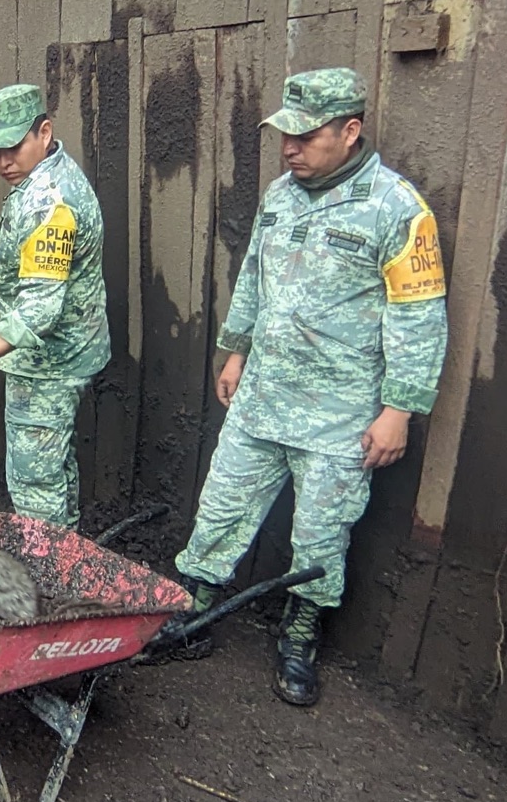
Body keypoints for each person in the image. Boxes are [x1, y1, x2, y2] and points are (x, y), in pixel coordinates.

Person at [174, 67, 447, 706]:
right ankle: (193, 609)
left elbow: (419, 315)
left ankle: (299, 636)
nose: (289, 148)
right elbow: (254, 277)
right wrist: (236, 350)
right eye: (284, 135)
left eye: (305, 135)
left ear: (350, 131)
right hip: (263, 397)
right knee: (221, 506)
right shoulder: (280, 195)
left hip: (339, 416)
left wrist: (400, 409)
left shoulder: (398, 208)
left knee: (322, 533)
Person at [0, 82, 109, 530]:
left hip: (49, 365)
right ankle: (68, 551)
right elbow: (43, 267)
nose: (3, 162)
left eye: (13, 147)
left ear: (44, 132)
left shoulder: (50, 203)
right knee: (56, 468)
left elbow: (37, 314)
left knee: (35, 487)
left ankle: (44, 565)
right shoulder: (47, 177)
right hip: (63, 354)